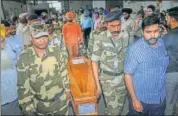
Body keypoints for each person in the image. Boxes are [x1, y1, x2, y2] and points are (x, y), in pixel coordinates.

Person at [17, 21, 70, 115]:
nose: (43, 40)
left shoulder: (56, 51)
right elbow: (23, 86)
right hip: (40, 106)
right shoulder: (24, 58)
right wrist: (28, 109)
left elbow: (64, 73)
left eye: (44, 36)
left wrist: (68, 90)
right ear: (31, 38)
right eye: (38, 37)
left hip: (61, 103)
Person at [124, 14, 169, 115]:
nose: (153, 35)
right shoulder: (135, 49)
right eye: (148, 32)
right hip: (141, 100)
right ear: (142, 32)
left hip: (160, 99)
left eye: (156, 31)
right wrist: (134, 99)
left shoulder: (162, 44)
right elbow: (128, 75)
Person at [91, 10, 129, 115]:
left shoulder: (126, 35)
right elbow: (94, 62)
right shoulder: (100, 38)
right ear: (106, 24)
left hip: (122, 79)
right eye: (112, 26)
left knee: (120, 107)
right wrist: (97, 85)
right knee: (114, 111)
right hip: (107, 80)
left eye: (118, 25)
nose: (116, 29)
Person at [1, 23, 22, 115]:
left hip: (16, 90)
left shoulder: (6, 48)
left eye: (3, 41)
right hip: (6, 98)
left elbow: (14, 62)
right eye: (1, 41)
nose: (3, 43)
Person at [163, 6, 178, 115]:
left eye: (167, 17)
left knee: (169, 103)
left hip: (171, 73)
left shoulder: (169, 36)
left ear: (172, 19)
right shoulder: (170, 35)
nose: (166, 20)